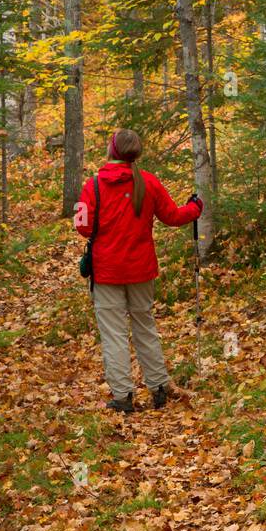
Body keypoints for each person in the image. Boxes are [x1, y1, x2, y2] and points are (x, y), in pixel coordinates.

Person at [74, 129, 202, 412]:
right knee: (145, 327)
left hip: (106, 272)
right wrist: (195, 208)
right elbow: (172, 216)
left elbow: (82, 227)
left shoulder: (92, 185)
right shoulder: (148, 182)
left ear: (112, 150)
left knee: (115, 335)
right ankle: (158, 387)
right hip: (142, 270)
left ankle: (123, 397)